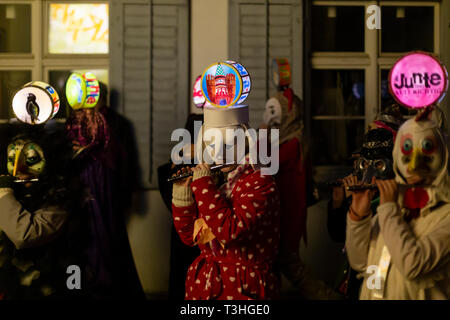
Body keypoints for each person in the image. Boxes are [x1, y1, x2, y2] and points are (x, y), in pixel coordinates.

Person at [171, 105, 281, 300]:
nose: (220, 154)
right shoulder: (217, 180)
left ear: (246, 141)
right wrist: (183, 194)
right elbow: (190, 236)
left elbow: (229, 231)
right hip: (206, 285)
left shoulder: (260, 181)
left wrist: (204, 185)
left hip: (244, 288)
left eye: (229, 145)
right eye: (212, 145)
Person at [345, 107, 450, 299]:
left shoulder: (444, 214)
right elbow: (360, 262)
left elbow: (412, 264)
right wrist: (358, 218)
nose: (414, 164)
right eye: (407, 149)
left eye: (426, 148)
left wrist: (388, 209)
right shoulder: (396, 205)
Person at [65, 76, 144, 299]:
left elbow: (126, 160)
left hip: (104, 187)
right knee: (93, 240)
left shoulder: (107, 122)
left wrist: (127, 192)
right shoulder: (91, 120)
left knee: (107, 239)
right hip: (91, 187)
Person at [0, 122, 87, 299]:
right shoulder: (13, 194)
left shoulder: (59, 198)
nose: (18, 169)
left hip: (53, 288)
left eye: (31, 159)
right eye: (12, 159)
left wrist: (4, 195)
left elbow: (25, 234)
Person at [158, 113, 202, 300]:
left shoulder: (180, 157)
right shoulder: (187, 158)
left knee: (182, 277)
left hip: (186, 229)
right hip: (194, 229)